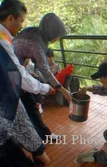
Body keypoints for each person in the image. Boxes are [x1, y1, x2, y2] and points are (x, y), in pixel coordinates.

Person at [0, 0, 51, 166]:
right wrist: (45, 88)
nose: (21, 25)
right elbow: (18, 76)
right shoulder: (2, 41)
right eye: (20, 21)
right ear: (10, 18)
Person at [13, 12, 72, 140]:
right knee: (29, 106)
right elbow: (44, 69)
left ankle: (42, 136)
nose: (58, 39)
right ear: (51, 31)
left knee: (29, 107)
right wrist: (62, 90)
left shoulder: (32, 31)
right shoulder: (38, 44)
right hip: (13, 75)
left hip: (16, 72)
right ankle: (39, 141)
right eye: (57, 35)